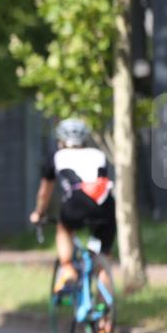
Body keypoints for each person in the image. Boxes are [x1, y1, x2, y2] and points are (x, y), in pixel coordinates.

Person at [30, 118, 116, 293]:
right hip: (106, 206)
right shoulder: (98, 154)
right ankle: (106, 315)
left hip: (76, 203)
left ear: (61, 139)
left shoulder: (58, 156)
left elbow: (44, 192)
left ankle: (68, 269)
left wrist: (39, 212)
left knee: (64, 228)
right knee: (102, 260)